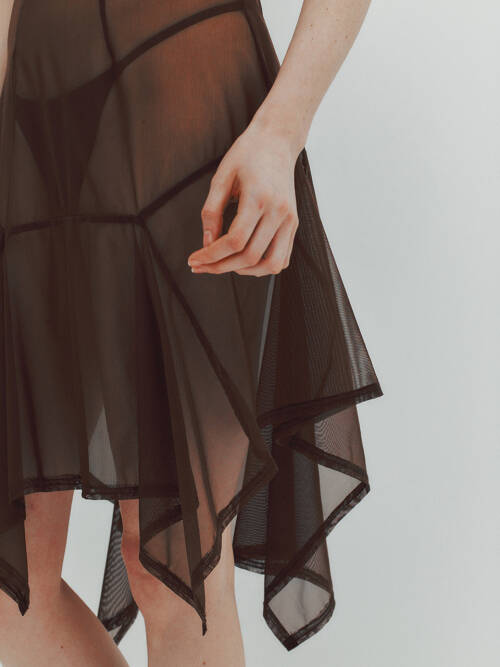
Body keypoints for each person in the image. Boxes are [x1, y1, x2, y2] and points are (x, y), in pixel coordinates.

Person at [0, 1, 380, 665]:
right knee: (12, 582)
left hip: (177, 65)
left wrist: (281, 131)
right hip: (25, 88)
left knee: (176, 571)